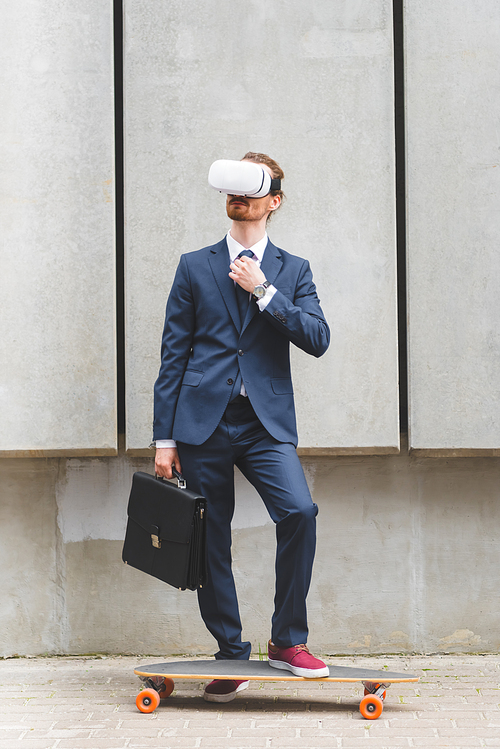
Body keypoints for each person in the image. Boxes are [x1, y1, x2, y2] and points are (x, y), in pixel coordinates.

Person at [153, 152, 330, 703]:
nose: (239, 197)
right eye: (233, 188)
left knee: (299, 512)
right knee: (211, 539)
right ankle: (231, 652)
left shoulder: (292, 269)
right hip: (202, 423)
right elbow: (173, 355)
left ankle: (287, 640)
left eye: (252, 190)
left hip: (264, 424)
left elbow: (317, 338)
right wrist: (164, 438)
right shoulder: (194, 264)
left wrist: (264, 290)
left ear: (273, 200)